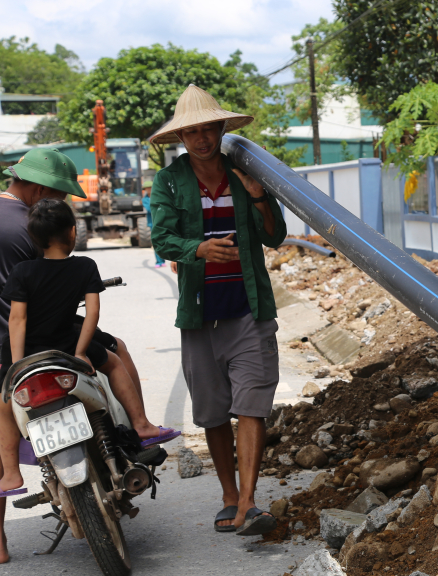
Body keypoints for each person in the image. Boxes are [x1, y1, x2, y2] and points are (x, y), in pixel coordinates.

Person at [0, 149, 164, 563]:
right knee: (116, 351)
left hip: (11, 351)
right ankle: (139, 428)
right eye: (59, 195)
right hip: (50, 339)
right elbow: (52, 293)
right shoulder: (31, 228)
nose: (63, 205)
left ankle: (0, 539)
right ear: (38, 188)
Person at [150, 84, 287, 536]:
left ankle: (247, 501)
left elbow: (275, 236)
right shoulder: (169, 181)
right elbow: (163, 240)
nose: (202, 138)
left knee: (252, 406)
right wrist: (200, 249)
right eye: (192, 132)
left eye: (209, 128)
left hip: (250, 309)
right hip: (200, 315)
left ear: (221, 128)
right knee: (212, 412)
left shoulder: (244, 174)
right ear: (182, 138)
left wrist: (260, 196)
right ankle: (228, 495)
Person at [141, 180, 165, 268]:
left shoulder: (159, 196)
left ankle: (163, 259)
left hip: (162, 221)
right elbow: (151, 209)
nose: (149, 190)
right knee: (156, 242)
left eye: (150, 188)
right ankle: (159, 261)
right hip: (152, 223)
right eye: (147, 188)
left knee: (163, 241)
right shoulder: (145, 199)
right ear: (145, 190)